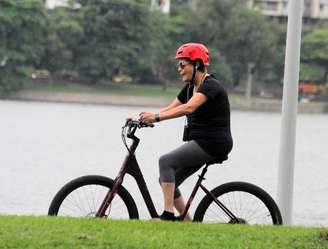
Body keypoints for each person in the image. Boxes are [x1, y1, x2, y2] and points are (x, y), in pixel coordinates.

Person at [138, 43, 233, 221]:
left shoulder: (210, 85)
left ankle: (167, 215)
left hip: (213, 143)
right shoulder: (190, 88)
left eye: (182, 65)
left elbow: (188, 108)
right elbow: (169, 109)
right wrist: (143, 118)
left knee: (165, 161)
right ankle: (188, 223)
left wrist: (156, 117)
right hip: (202, 142)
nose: (179, 69)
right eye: (178, 65)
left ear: (196, 65)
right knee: (166, 180)